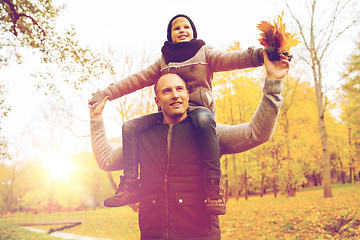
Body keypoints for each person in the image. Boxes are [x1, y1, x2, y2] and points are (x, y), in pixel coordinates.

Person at [90, 51, 290, 240]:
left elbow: (256, 133)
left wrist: (274, 82)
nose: (175, 95)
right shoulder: (142, 138)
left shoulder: (209, 133)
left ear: (187, 94)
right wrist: (96, 118)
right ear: (157, 101)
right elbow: (106, 160)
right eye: (167, 91)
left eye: (179, 89)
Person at [89, 14, 265, 214]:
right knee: (130, 126)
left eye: (186, 27)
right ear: (170, 35)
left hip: (199, 111)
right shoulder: (164, 61)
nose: (182, 30)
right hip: (167, 115)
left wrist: (261, 55)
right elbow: (136, 80)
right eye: (176, 28)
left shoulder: (204, 53)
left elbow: (234, 58)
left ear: (193, 32)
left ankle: (213, 187)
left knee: (206, 119)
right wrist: (107, 94)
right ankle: (130, 183)